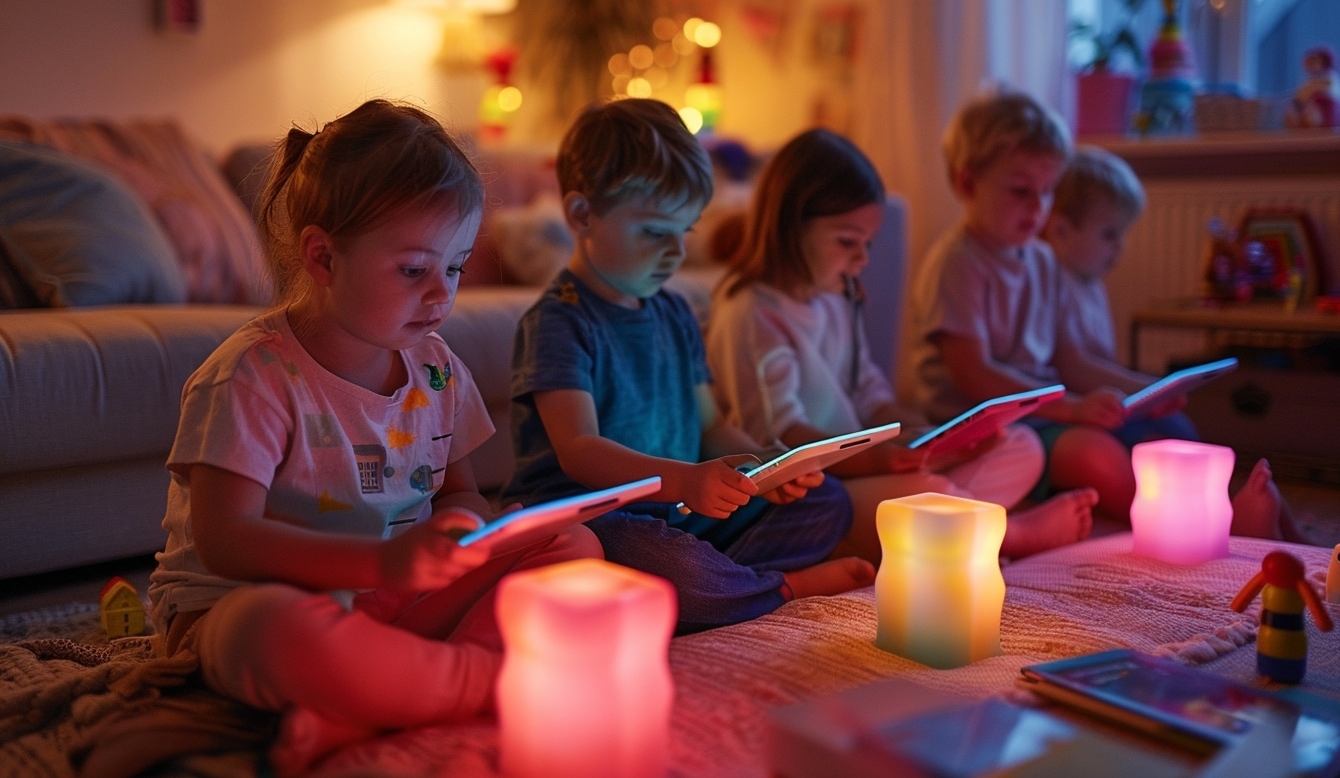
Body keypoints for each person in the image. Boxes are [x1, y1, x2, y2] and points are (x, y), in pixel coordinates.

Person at [147, 99, 603, 777]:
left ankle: (365, 702)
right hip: (241, 609)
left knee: (572, 543)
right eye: (414, 270)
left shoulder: (436, 367)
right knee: (276, 632)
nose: (441, 296)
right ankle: (486, 683)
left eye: (455, 268)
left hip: (387, 603)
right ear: (323, 257)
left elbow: (461, 489)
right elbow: (226, 541)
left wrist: (464, 534)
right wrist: (382, 564)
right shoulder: (251, 375)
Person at [501, 98, 874, 635]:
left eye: (687, 231)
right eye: (655, 232)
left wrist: (763, 469)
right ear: (581, 215)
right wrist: (682, 482)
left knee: (826, 501)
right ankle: (777, 587)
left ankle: (726, 586)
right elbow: (579, 452)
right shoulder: (560, 321)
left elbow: (709, 427)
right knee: (665, 564)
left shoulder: (675, 311)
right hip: (595, 519)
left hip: (678, 512)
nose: (676, 252)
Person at [910, 87, 1304, 540]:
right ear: (966, 184)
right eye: (1020, 191)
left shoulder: (1042, 260)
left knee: (1171, 427)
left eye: (1046, 192)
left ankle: (1280, 529)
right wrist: (1075, 409)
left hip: (1046, 413)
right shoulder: (958, 264)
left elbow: (1072, 360)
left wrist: (1147, 392)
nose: (1037, 208)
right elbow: (975, 376)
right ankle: (1220, 527)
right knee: (1095, 453)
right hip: (989, 430)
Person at [705, 128, 1097, 564]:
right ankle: (1007, 533)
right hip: (816, 491)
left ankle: (952, 527)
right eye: (847, 242)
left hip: (864, 470)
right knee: (925, 493)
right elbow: (781, 440)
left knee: (1019, 446)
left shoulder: (836, 294)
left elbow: (871, 395)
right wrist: (878, 460)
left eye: (867, 244)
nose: (862, 260)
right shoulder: (751, 311)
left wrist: (926, 438)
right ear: (790, 227)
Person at [1042, 144, 1199, 448]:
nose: (1120, 247)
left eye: (1123, 234)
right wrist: (1147, 389)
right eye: (1109, 235)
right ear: (1060, 230)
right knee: (1168, 433)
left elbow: (1103, 359)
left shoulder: (1091, 284)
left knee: (1178, 428)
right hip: (1072, 412)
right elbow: (1072, 367)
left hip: (1101, 404)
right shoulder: (1052, 281)